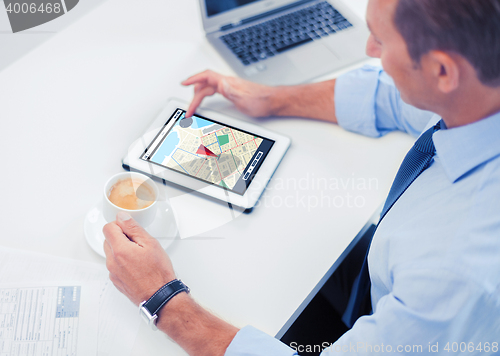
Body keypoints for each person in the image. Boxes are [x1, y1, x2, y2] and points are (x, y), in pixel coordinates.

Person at [103, 0, 500, 354]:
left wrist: (163, 301)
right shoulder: (479, 92)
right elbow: (390, 96)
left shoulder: (457, 273)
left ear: (443, 70)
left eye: (380, 40)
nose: (368, 51)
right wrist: (271, 98)